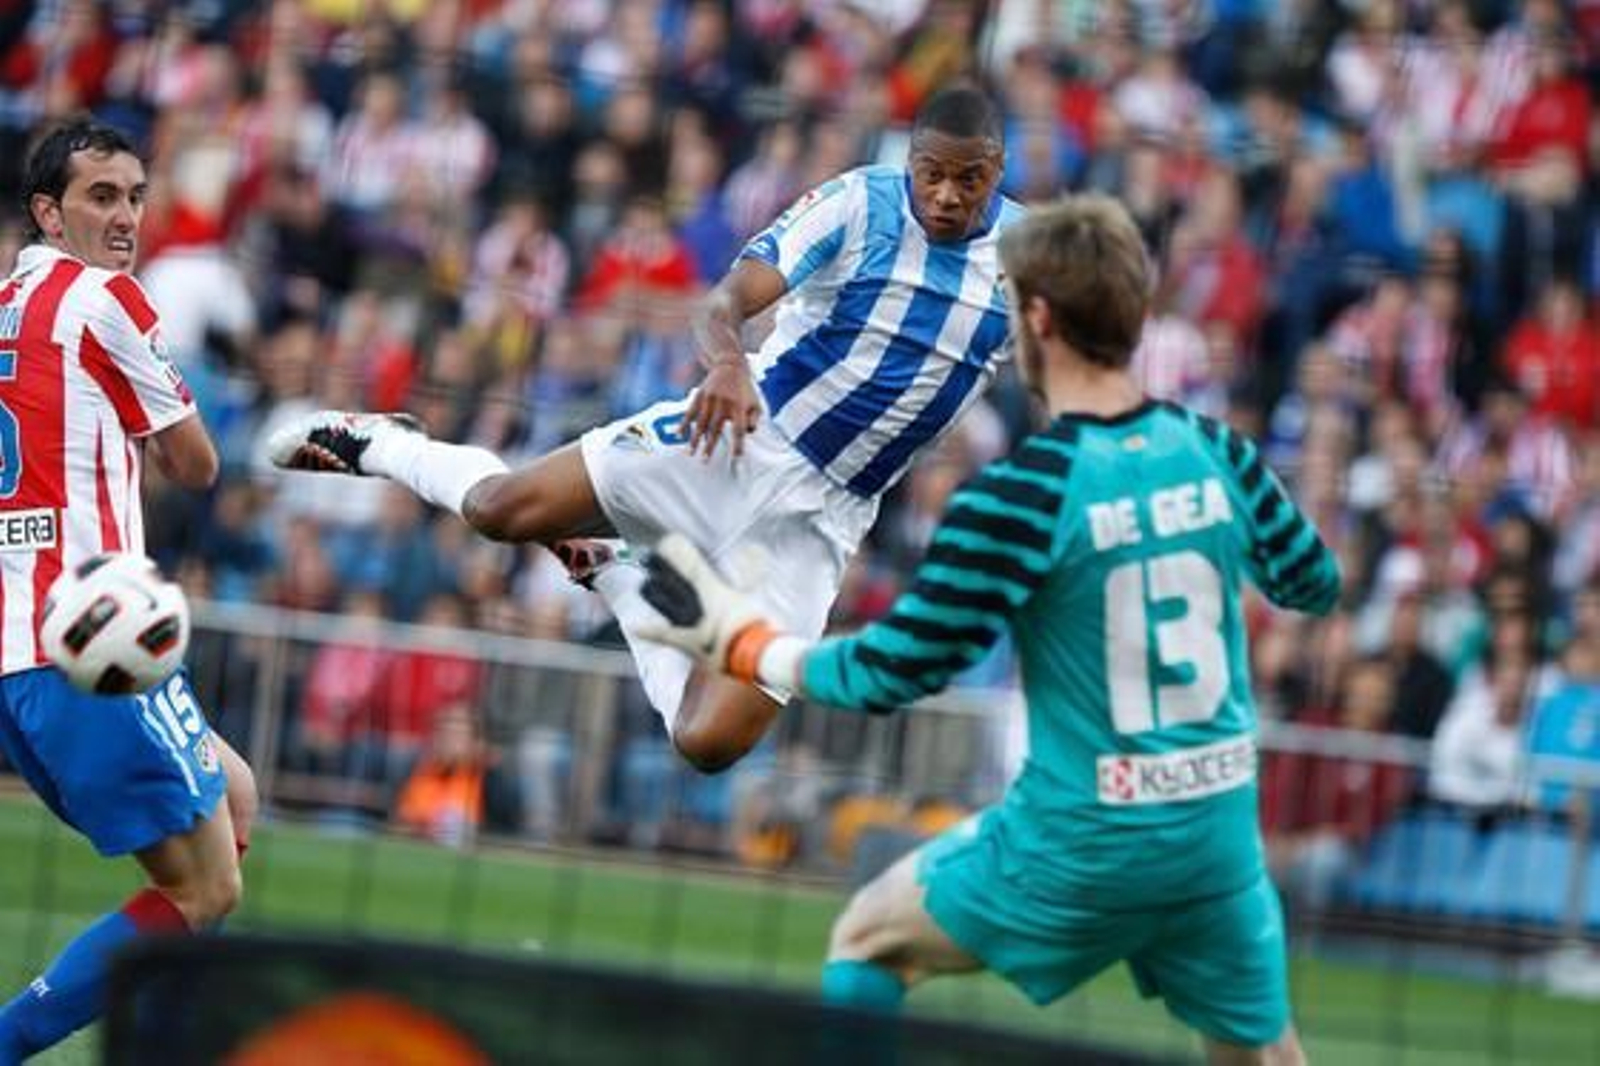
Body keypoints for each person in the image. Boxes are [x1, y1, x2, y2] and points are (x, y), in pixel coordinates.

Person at [637, 194, 1339, 1063]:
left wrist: (737, 643)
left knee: (867, 941)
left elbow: (890, 670)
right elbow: (1313, 582)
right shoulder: (1217, 450)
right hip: (1216, 836)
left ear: (1037, 317)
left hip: (1083, 837)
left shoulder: (1021, 494)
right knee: (1266, 1054)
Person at [267, 84, 1023, 773]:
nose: (947, 194)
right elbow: (723, 299)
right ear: (910, 161)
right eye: (932, 172)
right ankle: (386, 442)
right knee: (502, 511)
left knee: (707, 743)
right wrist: (728, 364)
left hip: (824, 517)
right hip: (734, 438)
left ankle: (621, 578)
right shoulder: (860, 204)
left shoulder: (1027, 262)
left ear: (997, 170)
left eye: (969, 178)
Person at [0, 119, 256, 1063]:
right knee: (208, 891)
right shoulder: (108, 301)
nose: (125, 217)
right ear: (48, 211)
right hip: (92, 643)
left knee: (235, 799)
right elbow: (196, 463)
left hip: (23, 656)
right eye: (101, 197)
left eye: (136, 196)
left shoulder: (4, 303)